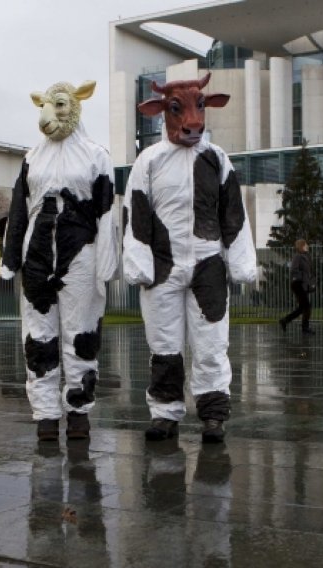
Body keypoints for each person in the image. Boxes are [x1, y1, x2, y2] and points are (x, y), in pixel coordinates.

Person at [122, 73, 257, 444]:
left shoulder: (217, 159)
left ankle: (213, 416)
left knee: (212, 343)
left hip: (207, 264)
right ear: (163, 113)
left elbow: (234, 211)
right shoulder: (148, 161)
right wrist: (139, 261)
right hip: (163, 268)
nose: (193, 119)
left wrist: (240, 259)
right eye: (180, 110)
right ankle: (165, 414)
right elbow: (135, 213)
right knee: (164, 344)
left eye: (200, 107)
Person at [0, 80, 118, 441]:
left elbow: (108, 212)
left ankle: (78, 410)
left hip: (79, 256)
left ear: (75, 106)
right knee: (38, 335)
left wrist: (106, 263)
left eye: (60, 106)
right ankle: (46, 413)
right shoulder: (32, 158)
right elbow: (18, 208)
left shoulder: (97, 156)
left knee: (80, 332)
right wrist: (10, 257)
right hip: (37, 259)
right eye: (45, 107)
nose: (49, 116)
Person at [279, 239, 315, 335]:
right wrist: (303, 277)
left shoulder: (306, 256)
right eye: (305, 244)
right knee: (306, 306)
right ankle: (305, 328)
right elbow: (293, 270)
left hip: (303, 284)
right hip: (298, 284)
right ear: (301, 246)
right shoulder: (298, 257)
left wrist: (309, 282)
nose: (307, 245)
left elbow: (308, 272)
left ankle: (284, 320)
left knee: (301, 308)